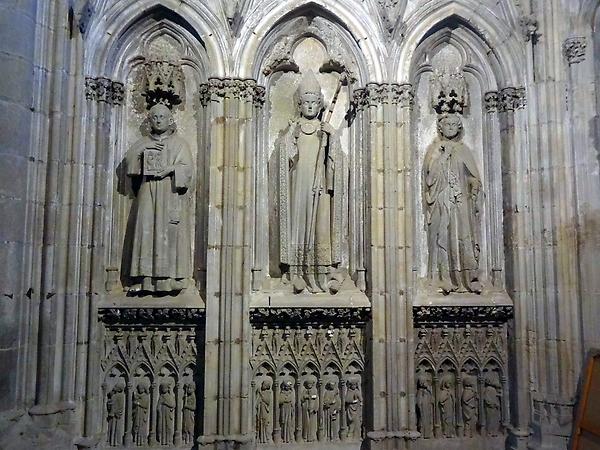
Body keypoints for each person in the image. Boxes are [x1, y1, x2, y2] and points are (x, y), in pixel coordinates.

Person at [274, 71, 344, 293]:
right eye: (306, 102)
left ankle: (320, 275)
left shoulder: (325, 130)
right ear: (300, 105)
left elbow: (337, 161)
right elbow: (285, 155)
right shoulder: (294, 129)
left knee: (320, 227)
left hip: (319, 186)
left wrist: (332, 137)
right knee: (300, 226)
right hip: (300, 186)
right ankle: (298, 272)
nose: (311, 106)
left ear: (320, 105)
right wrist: (291, 136)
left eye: (314, 102)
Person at [125, 103, 194, 293]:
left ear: (170, 120)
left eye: (162, 117)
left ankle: (169, 279)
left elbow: (188, 170)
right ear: (149, 120)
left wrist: (171, 169)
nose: (158, 120)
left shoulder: (180, 144)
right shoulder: (143, 142)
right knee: (145, 230)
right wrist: (142, 149)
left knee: (169, 233)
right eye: (154, 117)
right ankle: (144, 279)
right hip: (147, 190)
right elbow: (130, 166)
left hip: (170, 192)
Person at [423, 113, 482, 294]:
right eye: (447, 124)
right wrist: (444, 157)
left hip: (461, 202)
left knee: (464, 236)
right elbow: (430, 179)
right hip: (442, 202)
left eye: (454, 124)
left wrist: (473, 184)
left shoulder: (464, 151)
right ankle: (445, 278)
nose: (450, 127)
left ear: (459, 128)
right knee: (444, 237)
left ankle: (468, 279)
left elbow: (472, 176)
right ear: (440, 128)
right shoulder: (435, 149)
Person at [416, 369, 434, 438]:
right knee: (422, 421)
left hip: (427, 409)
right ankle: (423, 433)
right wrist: (420, 406)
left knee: (427, 421)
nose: (427, 383)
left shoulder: (427, 391)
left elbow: (431, 399)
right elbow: (418, 402)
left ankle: (428, 434)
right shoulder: (420, 391)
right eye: (426, 381)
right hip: (423, 410)